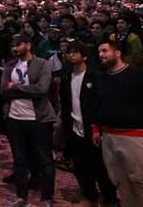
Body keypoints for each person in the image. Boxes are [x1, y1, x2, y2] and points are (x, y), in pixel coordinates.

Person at [1, 32, 56, 207]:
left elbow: (42, 89)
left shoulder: (42, 64)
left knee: (44, 159)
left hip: (38, 118)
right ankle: (21, 196)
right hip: (14, 117)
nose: (14, 49)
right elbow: (3, 91)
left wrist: (16, 87)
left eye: (18, 45)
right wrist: (20, 89)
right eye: (13, 46)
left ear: (28, 45)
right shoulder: (10, 65)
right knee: (19, 159)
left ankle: (47, 198)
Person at [59, 41, 117, 207]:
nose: (71, 55)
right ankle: (89, 195)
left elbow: (102, 103)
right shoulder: (67, 76)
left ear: (84, 56)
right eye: (69, 52)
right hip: (74, 128)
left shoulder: (96, 76)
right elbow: (65, 103)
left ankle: (109, 199)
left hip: (94, 129)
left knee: (101, 168)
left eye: (75, 52)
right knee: (80, 167)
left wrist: (98, 126)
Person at [92, 40, 143, 205]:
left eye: (105, 51)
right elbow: (97, 104)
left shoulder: (136, 75)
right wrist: (95, 128)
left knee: (139, 180)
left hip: (133, 136)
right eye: (99, 52)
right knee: (120, 182)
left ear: (118, 53)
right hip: (107, 136)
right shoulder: (102, 78)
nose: (101, 55)